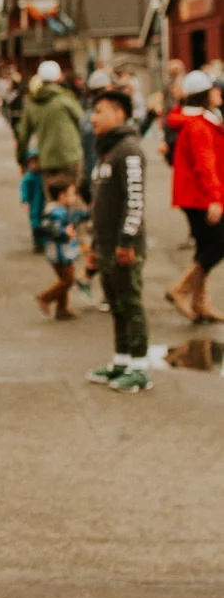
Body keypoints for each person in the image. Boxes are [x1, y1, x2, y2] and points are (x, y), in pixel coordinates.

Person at [85, 89, 151, 394]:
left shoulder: (129, 150)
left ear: (119, 114)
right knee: (116, 304)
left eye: (99, 111)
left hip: (125, 246)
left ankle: (140, 369)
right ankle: (122, 361)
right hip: (106, 246)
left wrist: (127, 242)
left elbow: (135, 201)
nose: (93, 118)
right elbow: (100, 205)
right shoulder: (106, 151)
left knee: (131, 303)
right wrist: (95, 247)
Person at [163, 72, 224, 325]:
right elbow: (205, 164)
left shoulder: (195, 120)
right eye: (214, 88)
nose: (218, 92)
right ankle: (181, 289)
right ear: (205, 94)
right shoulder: (199, 125)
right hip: (200, 196)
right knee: (218, 245)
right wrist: (215, 199)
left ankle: (201, 303)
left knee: (205, 245)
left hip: (194, 195)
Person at [16, 61, 84, 204]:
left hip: (47, 159)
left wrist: (21, 160)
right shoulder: (65, 97)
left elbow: (23, 136)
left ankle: (55, 224)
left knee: (53, 201)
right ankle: (73, 225)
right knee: (72, 196)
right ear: (58, 77)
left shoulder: (31, 102)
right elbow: (82, 121)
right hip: (70, 156)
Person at [36, 171, 87, 320]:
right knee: (67, 280)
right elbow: (52, 228)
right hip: (59, 253)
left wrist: (87, 214)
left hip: (64, 252)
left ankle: (62, 309)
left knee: (65, 280)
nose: (74, 197)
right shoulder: (55, 212)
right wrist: (65, 233)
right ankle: (45, 297)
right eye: (72, 194)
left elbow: (75, 217)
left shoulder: (63, 211)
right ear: (62, 196)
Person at [19, 144, 45, 253]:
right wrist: (25, 201)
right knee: (35, 223)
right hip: (34, 204)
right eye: (32, 162)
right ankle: (37, 243)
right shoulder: (29, 177)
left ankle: (43, 242)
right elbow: (24, 189)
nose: (34, 165)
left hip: (43, 202)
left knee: (45, 222)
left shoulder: (43, 175)